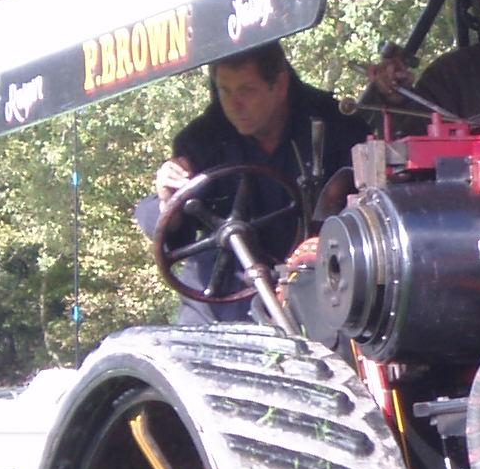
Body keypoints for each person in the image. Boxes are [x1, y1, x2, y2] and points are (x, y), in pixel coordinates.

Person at [148, 40, 370, 319]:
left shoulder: (335, 127)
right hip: (221, 296)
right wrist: (169, 202)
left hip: (316, 289)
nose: (233, 105)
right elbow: (178, 230)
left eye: (246, 90)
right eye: (224, 91)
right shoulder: (201, 141)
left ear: (280, 85)